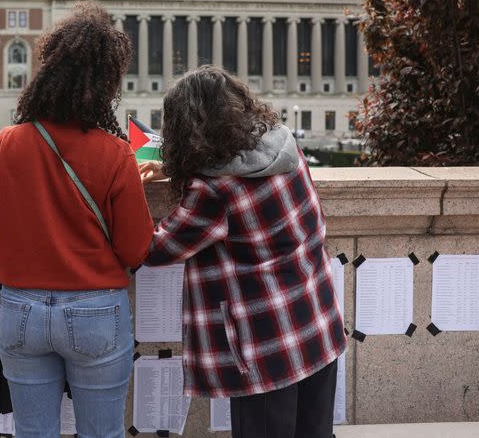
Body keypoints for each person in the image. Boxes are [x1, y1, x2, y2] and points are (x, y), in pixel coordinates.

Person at [0, 1, 154, 438]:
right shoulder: (115, 153)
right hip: (95, 310)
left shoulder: (8, 143)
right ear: (106, 82)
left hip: (20, 311)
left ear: (48, 71)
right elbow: (135, 249)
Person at [140, 65, 346, 438]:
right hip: (315, 321)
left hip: (267, 346)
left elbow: (154, 248)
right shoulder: (284, 145)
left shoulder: (215, 191)